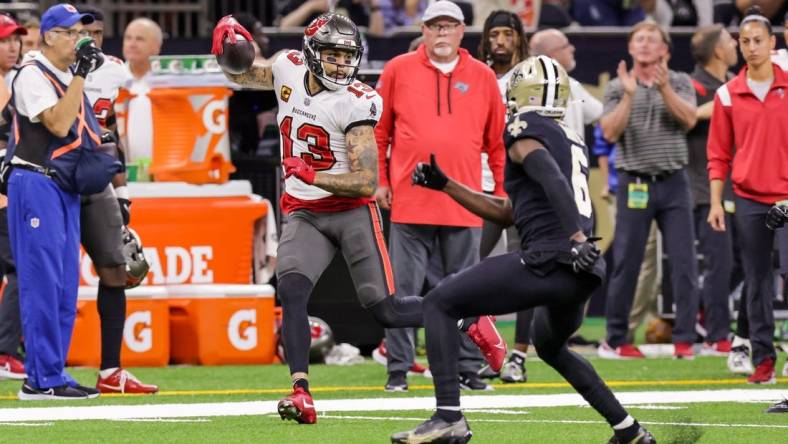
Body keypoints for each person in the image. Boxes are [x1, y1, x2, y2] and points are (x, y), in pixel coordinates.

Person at [211, 12, 504, 424]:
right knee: (291, 291)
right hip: (305, 211)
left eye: (346, 56)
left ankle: (469, 314)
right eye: (331, 54)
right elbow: (246, 76)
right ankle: (301, 392)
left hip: (350, 212)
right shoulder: (286, 68)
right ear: (311, 53)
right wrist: (228, 54)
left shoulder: (356, 100)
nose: (339, 64)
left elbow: (366, 182)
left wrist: (314, 174)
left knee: (387, 310)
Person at [391, 55, 655, 444]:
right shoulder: (567, 135)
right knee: (550, 347)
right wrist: (447, 185)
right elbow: (508, 211)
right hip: (580, 272)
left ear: (520, 93)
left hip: (553, 258)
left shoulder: (524, 127)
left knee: (439, 303)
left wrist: (576, 239)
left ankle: (448, 417)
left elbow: (549, 176)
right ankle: (628, 430)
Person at [374, 0, 507, 392]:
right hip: (409, 201)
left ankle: (468, 367)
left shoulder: (483, 76)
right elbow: (379, 133)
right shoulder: (398, 68)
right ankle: (399, 369)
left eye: (449, 26)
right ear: (424, 30)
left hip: (464, 203)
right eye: (435, 26)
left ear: (462, 31)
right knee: (402, 291)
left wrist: (499, 194)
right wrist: (381, 181)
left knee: (468, 292)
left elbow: (496, 144)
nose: (442, 33)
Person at [5, 3, 111, 400]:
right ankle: (39, 379)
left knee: (65, 284)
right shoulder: (32, 74)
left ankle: (53, 371)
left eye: (81, 32)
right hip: (35, 184)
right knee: (41, 284)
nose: (78, 39)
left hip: (63, 187)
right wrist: (82, 74)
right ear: (49, 36)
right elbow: (57, 123)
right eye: (69, 33)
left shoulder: (64, 74)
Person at [599, 20, 699, 360]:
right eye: (638, 39)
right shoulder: (616, 86)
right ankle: (615, 339)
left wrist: (665, 88)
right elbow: (609, 133)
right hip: (634, 182)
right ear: (630, 47)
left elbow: (689, 120)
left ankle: (685, 340)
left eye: (651, 40)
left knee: (684, 262)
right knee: (626, 261)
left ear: (665, 50)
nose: (643, 45)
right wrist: (629, 96)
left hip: (674, 181)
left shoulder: (682, 81)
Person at [76, 4, 158, 394]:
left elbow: (111, 132)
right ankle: (34, 366)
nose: (90, 41)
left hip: (96, 181)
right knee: (51, 276)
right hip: (53, 182)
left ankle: (111, 371)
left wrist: (122, 191)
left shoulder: (112, 70)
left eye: (96, 34)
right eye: (82, 33)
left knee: (117, 268)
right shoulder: (45, 67)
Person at [707, 6, 788, 384]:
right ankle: (764, 359)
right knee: (756, 281)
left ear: (773, 43)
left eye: (759, 40)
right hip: (749, 199)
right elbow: (718, 154)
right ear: (738, 46)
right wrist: (715, 202)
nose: (752, 47)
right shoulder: (727, 94)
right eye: (745, 41)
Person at [474, 9, 531, 384]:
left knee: (527, 267)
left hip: (523, 181)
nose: (499, 41)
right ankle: (478, 347)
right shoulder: (475, 76)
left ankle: (519, 356)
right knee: (470, 265)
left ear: (518, 38)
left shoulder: (531, 75)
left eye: (507, 34)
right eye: (493, 34)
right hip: (481, 182)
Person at [688, 24, 739, 356]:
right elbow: (687, 116)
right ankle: (716, 334)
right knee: (719, 262)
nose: (736, 45)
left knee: (744, 263)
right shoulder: (691, 85)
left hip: (740, 187)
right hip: (705, 191)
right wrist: (730, 96)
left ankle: (710, 313)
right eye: (731, 41)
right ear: (718, 51)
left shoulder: (734, 83)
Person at [0, 13, 26, 381]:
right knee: (20, 270)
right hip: (3, 197)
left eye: (15, 39)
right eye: (4, 40)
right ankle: (5, 352)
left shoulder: (15, 80)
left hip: (11, 192)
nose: (12, 46)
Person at [529, 28, 603, 140]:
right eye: (565, 46)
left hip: (575, 156)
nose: (572, 49)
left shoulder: (572, 84)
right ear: (551, 55)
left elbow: (600, 114)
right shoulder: (528, 90)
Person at [121, 18, 162, 164]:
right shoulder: (111, 78)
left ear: (156, 47)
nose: (132, 44)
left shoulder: (167, 82)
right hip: (120, 173)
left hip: (161, 170)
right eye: (128, 38)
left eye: (140, 39)